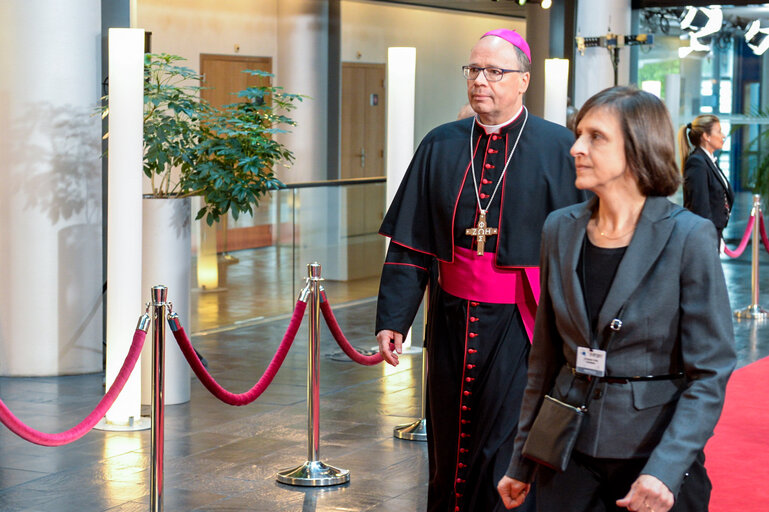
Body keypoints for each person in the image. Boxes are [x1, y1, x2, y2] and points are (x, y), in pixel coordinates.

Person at [375, 29, 585, 511]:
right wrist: (394, 319)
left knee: (502, 446)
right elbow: (412, 241)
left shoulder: (558, 145)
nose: (480, 81)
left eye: (494, 71)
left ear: (523, 80)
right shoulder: (441, 144)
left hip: (521, 324)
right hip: (449, 321)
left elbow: (581, 246)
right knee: (449, 443)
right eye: (473, 70)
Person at [498, 87, 736, 512]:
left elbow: (710, 372)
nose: (576, 148)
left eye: (595, 137)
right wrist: (522, 460)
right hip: (566, 454)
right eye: (578, 134)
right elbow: (544, 361)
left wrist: (665, 468)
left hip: (652, 459)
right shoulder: (559, 229)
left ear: (638, 148)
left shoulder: (689, 237)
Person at [678, 114, 734, 244]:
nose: (723, 136)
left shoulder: (708, 160)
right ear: (706, 136)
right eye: (719, 131)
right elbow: (700, 207)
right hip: (704, 238)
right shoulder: (697, 162)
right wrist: (709, 239)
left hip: (713, 235)